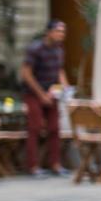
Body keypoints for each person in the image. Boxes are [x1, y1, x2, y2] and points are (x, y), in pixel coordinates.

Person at [21, 19, 71, 177]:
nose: (61, 35)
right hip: (33, 93)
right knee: (34, 128)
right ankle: (33, 166)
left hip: (52, 93)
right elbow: (26, 73)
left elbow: (59, 71)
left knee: (55, 129)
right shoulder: (35, 49)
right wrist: (41, 94)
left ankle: (55, 164)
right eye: (58, 31)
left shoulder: (59, 50)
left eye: (63, 32)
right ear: (48, 32)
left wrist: (65, 88)